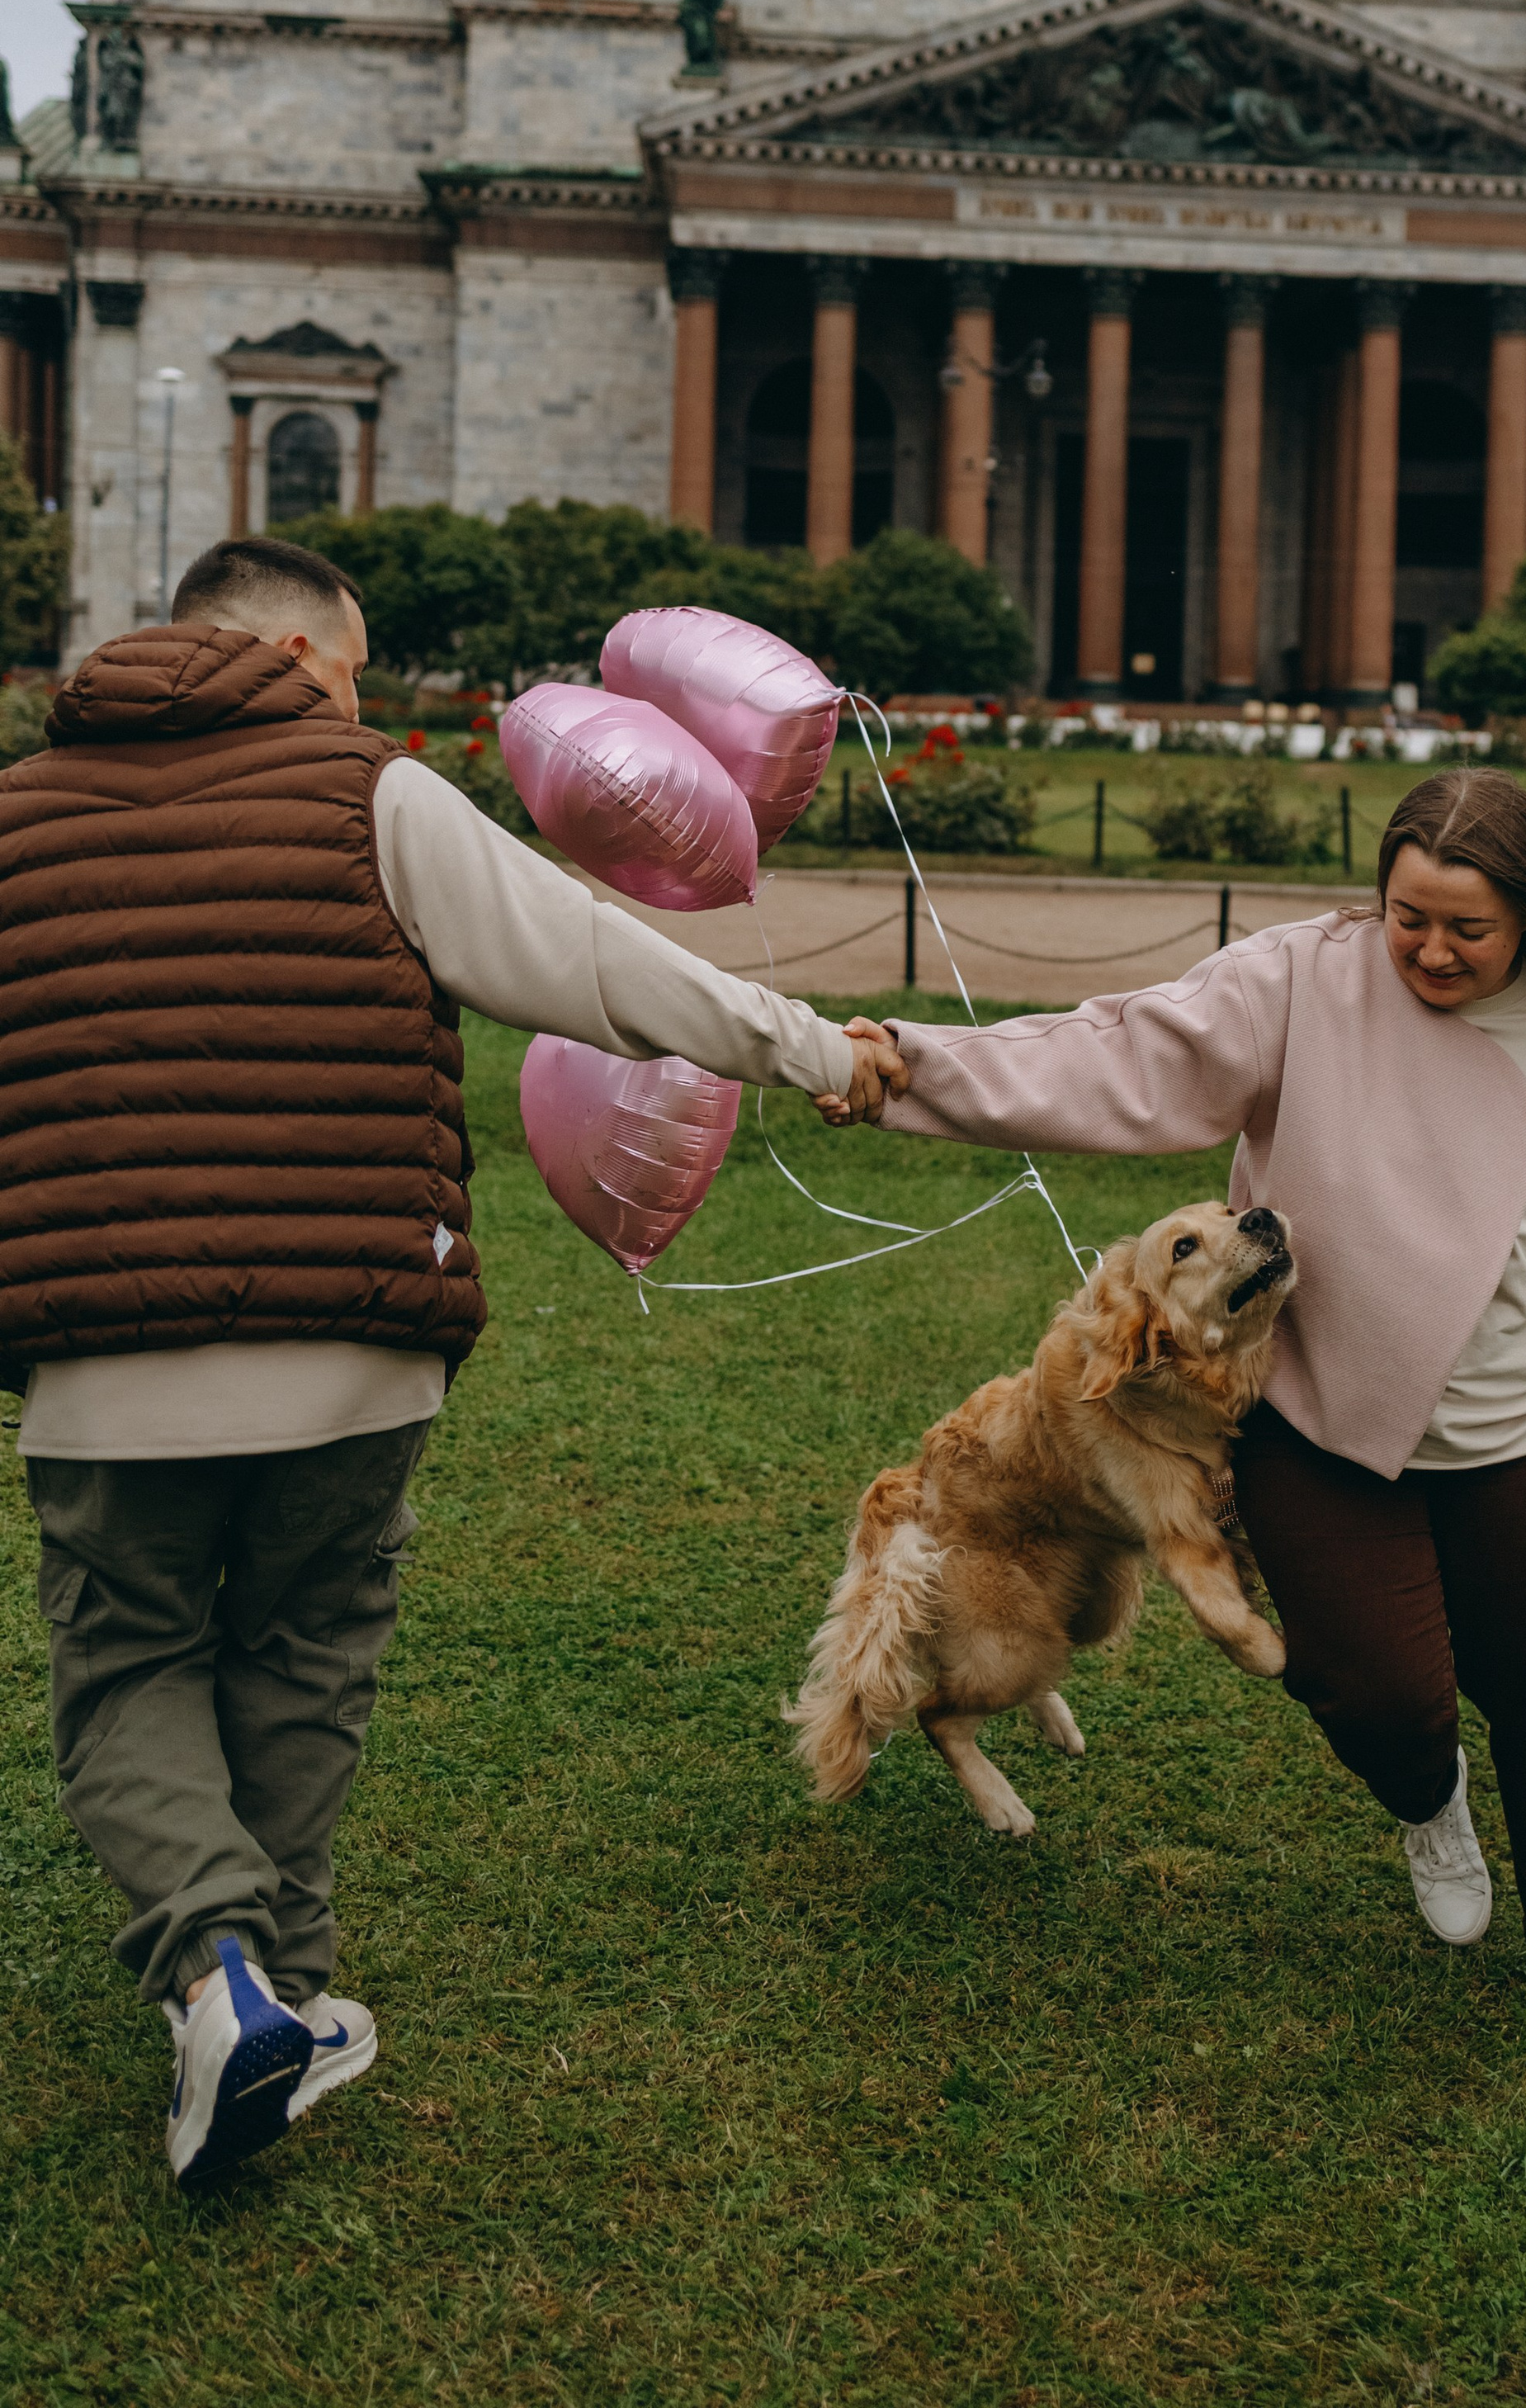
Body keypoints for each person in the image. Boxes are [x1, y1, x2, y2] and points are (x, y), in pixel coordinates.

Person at [1, 538, 891, 2189]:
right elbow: (599, 966)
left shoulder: (18, 816)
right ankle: (276, 1988)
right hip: (352, 1337)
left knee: (128, 1666)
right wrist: (818, 1050)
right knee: (304, 1656)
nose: (351, 704)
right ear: (285, 652)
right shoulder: (367, 791)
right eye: (343, 675)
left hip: (99, 1349)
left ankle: (225, 1982)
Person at [840, 768, 1526, 2064]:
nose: (1429, 947)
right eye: (1406, 914)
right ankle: (1430, 1800)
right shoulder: (1303, 983)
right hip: (1325, 1426)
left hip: (1523, 1432)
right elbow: (1119, 1052)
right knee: (1371, 1694)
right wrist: (913, 1066)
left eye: (1466, 927)